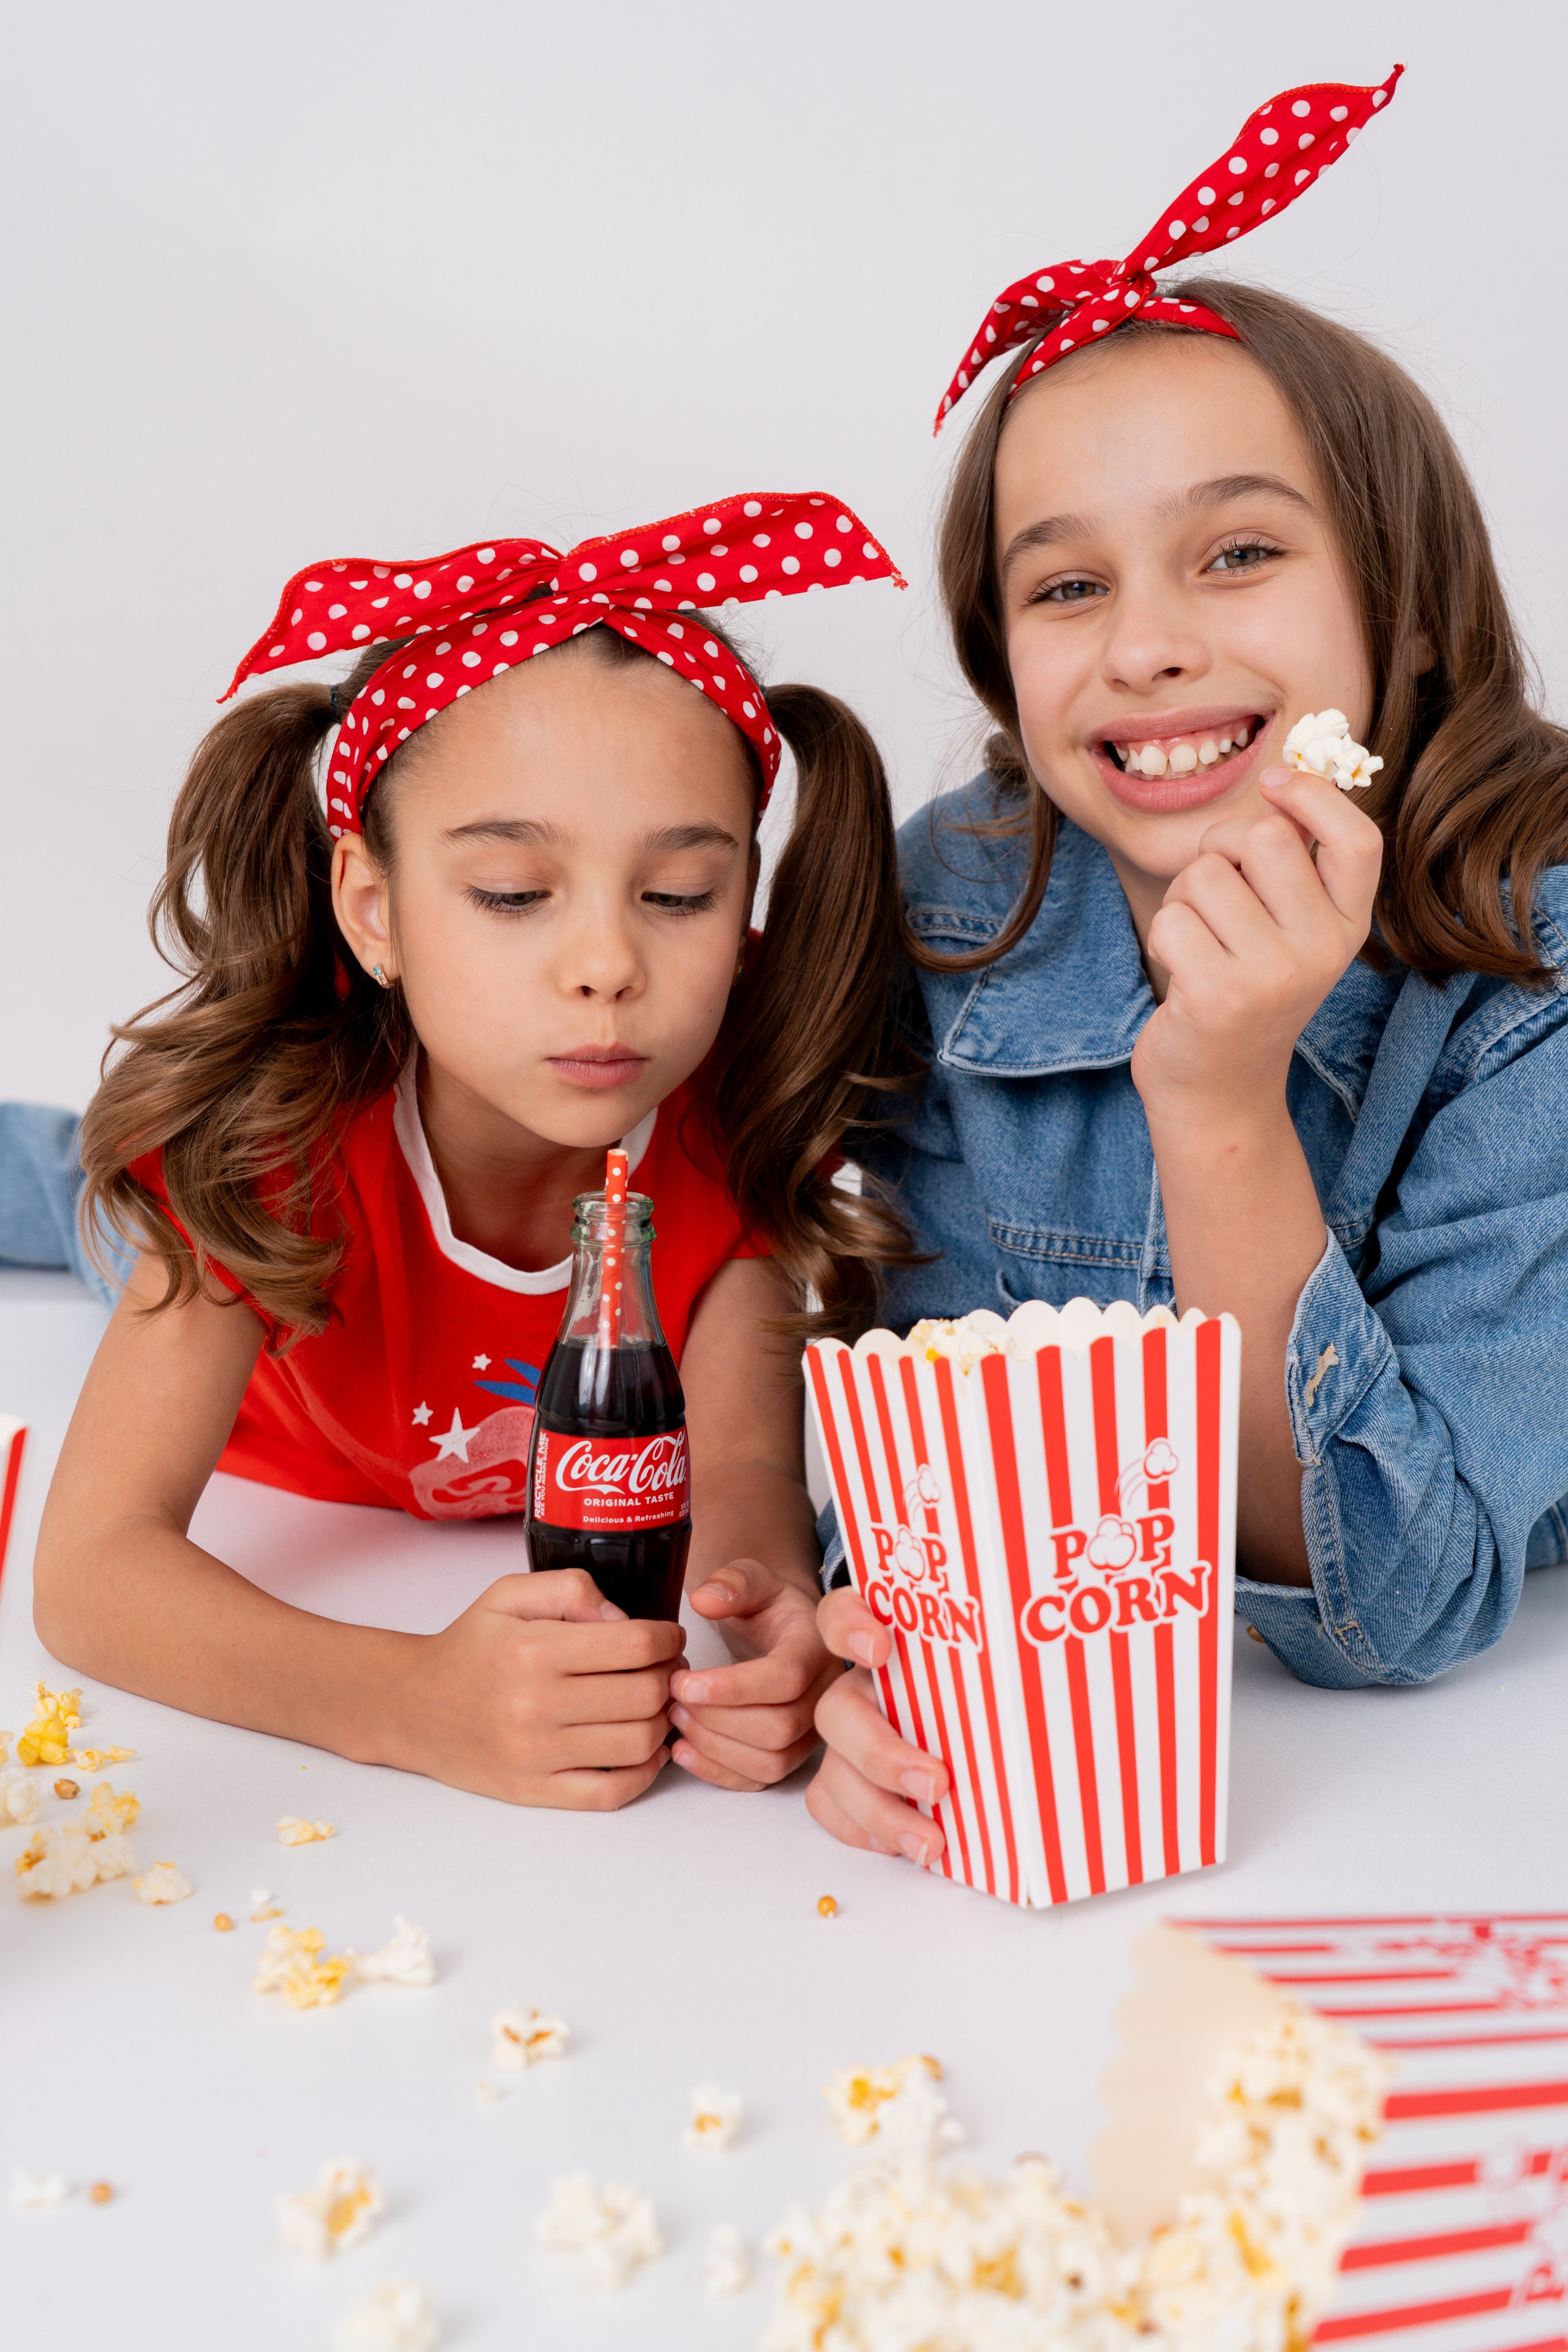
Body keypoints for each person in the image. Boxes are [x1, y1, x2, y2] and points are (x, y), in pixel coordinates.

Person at [809, 69, 1568, 1865]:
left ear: (1412, 609)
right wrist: (876, 1642)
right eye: (1064, 589)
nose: (1147, 648)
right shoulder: (959, 904)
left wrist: (1218, 1101)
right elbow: (925, 1417)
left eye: (1237, 555)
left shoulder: (1533, 954)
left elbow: (1401, 1604)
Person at [24, 493, 918, 1811]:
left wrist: (766, 1626)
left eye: (677, 896)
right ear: (375, 913)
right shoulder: (252, 1155)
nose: (608, 965)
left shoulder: (731, 1126)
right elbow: (90, 1573)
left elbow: (738, 1475)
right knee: (69, 1197)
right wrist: (404, 1702)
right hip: (258, 1301)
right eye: (511, 895)